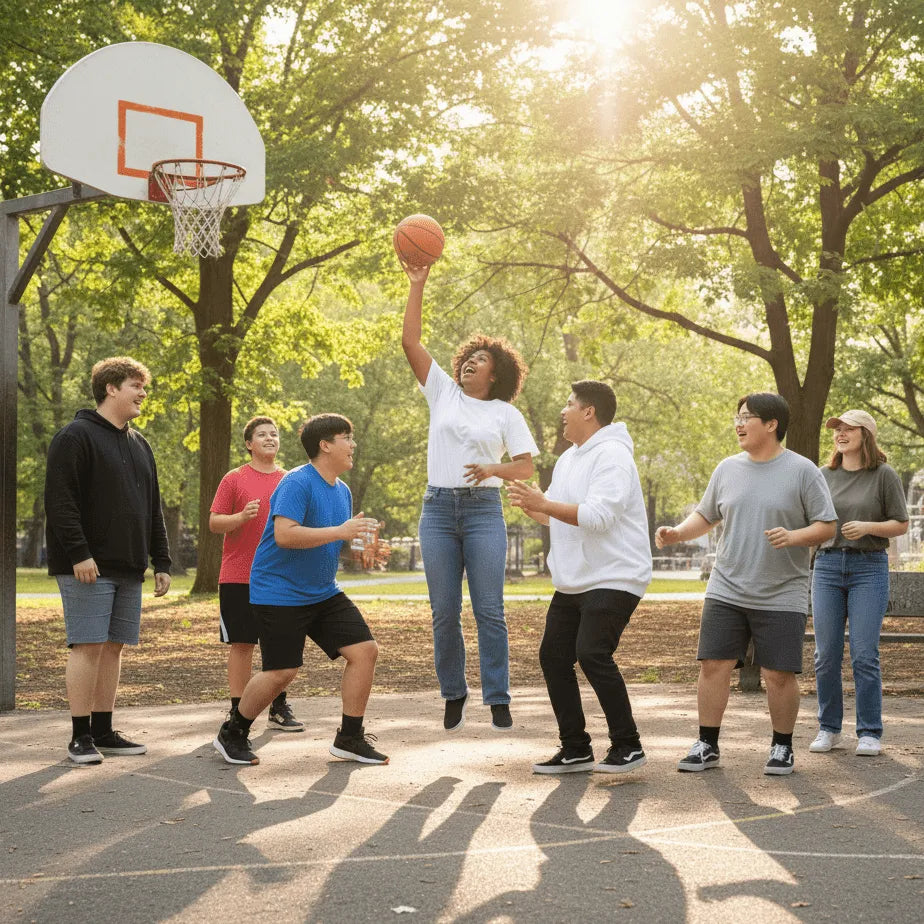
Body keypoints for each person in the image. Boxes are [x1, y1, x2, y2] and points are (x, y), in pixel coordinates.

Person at [655, 393, 836, 776]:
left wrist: (795, 536)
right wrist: (677, 534)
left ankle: (782, 747)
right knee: (712, 664)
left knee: (778, 674)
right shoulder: (727, 469)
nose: (739, 424)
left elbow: (827, 526)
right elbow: (705, 516)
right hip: (727, 586)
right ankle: (707, 743)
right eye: (736, 417)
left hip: (782, 590)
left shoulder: (803, 471)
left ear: (771, 424)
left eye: (747, 417)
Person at [402, 262, 539, 732]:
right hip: (437, 509)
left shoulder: (504, 413)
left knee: (488, 610)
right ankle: (453, 692)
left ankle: (497, 696)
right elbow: (411, 343)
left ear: (496, 374)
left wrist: (493, 470)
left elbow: (525, 466)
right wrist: (416, 285)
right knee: (444, 611)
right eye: (468, 357)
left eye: (480, 360)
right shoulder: (442, 393)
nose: (469, 363)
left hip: (483, 512)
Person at [212, 414, 387, 766]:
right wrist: (341, 531)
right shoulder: (297, 482)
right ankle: (233, 731)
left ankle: (349, 737)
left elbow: (330, 537)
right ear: (325, 445)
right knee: (282, 672)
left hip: (323, 592)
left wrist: (363, 552)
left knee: (365, 651)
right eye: (346, 438)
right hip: (279, 592)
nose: (353, 445)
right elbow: (285, 534)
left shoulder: (342, 490)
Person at [508, 381, 652, 774]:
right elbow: (553, 513)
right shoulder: (570, 458)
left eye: (569, 404)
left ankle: (628, 745)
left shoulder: (613, 456)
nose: (563, 411)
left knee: (592, 652)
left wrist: (545, 503)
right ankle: (575, 748)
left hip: (615, 574)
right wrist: (531, 505)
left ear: (589, 411)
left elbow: (599, 517)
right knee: (554, 657)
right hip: (574, 580)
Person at [44, 356, 171, 765]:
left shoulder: (140, 443)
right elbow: (60, 503)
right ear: (111, 388)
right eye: (136, 385)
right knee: (88, 646)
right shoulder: (75, 436)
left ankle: (103, 729)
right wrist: (80, 553)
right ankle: (80, 736)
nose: (143, 394)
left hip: (128, 566)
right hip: (87, 567)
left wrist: (162, 560)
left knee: (114, 647)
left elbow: (152, 507)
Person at [809, 410, 908, 757]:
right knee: (826, 655)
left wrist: (868, 526)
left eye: (849, 428)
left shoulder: (884, 475)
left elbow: (901, 524)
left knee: (864, 654)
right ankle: (829, 728)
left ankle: (869, 731)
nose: (841, 433)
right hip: (827, 567)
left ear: (866, 434)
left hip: (869, 568)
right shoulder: (823, 475)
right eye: (837, 428)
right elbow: (812, 520)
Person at [209, 415, 303, 731]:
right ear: (249, 444)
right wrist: (239, 517)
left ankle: (278, 706)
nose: (269, 438)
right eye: (262, 434)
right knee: (243, 643)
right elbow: (214, 522)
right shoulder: (234, 478)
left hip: (280, 576)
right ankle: (238, 710)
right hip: (238, 575)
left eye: (274, 434)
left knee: (279, 643)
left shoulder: (291, 480)